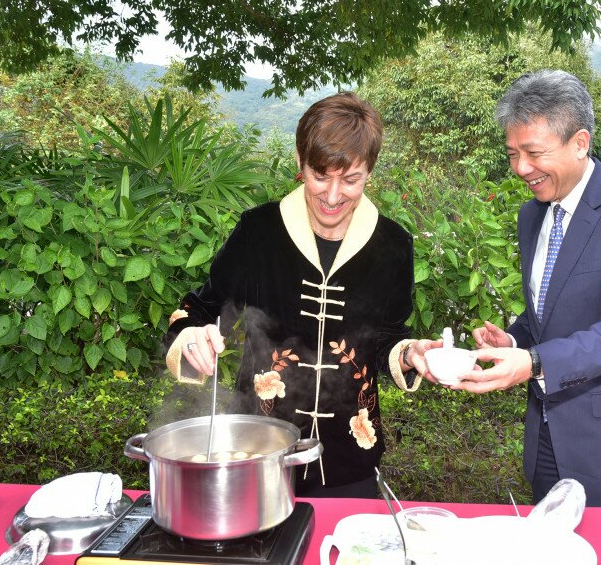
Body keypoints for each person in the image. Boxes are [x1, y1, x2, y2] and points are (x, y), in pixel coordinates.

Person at [164, 92, 438, 498]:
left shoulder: (393, 244)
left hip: (351, 459)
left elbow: (386, 337)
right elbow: (200, 308)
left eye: (351, 179)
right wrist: (191, 337)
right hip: (256, 452)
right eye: (320, 175)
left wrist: (410, 352)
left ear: (370, 171)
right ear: (300, 161)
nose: (332, 195)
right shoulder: (258, 232)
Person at [452, 70, 601, 507]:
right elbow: (550, 313)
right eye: (513, 153)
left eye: (533, 152)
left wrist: (531, 361)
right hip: (547, 441)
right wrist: (515, 338)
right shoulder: (532, 215)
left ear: (580, 143)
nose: (521, 169)